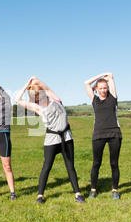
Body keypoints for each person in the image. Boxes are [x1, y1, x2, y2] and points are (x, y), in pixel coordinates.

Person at [15, 76, 85, 204]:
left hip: (66, 137)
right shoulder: (36, 107)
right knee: (46, 167)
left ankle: (78, 194)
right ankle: (40, 196)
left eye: (38, 94)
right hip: (51, 140)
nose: (38, 97)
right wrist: (27, 85)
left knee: (70, 167)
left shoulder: (55, 99)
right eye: (34, 96)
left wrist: (34, 80)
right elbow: (17, 99)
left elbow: (41, 84)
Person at [84, 72, 122, 199]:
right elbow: (86, 83)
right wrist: (100, 76)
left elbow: (111, 76)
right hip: (98, 134)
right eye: (100, 88)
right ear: (96, 89)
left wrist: (108, 77)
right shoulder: (94, 99)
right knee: (96, 163)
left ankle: (115, 190)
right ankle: (93, 190)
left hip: (114, 133)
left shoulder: (113, 98)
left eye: (105, 87)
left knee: (114, 163)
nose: (103, 90)